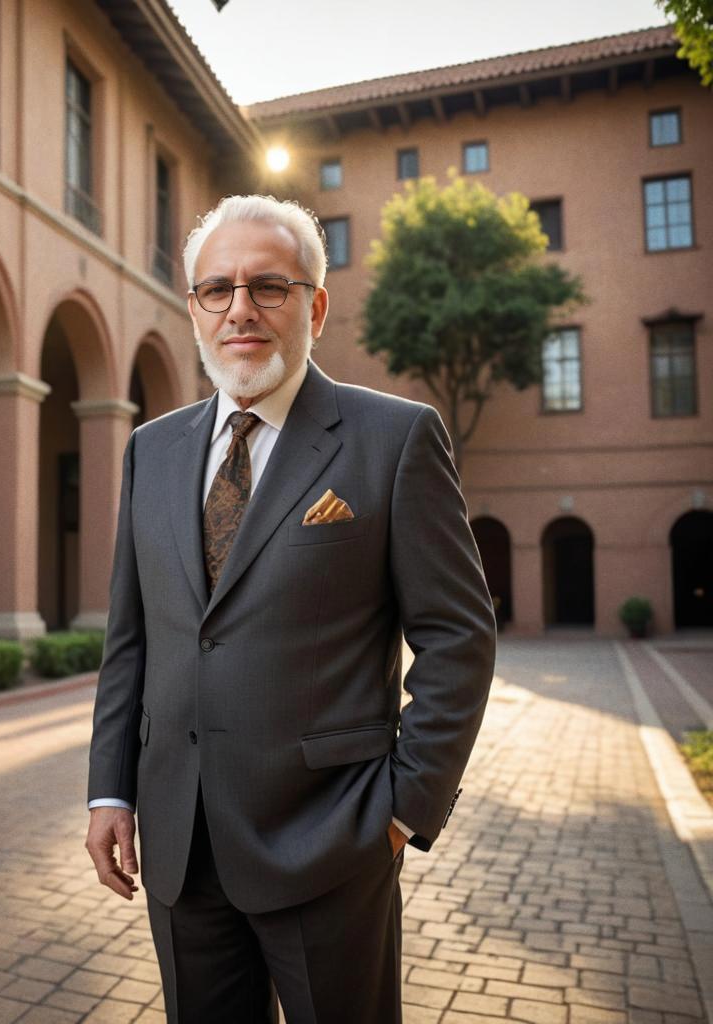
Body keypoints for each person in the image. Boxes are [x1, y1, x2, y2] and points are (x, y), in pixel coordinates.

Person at [85, 194, 496, 1023]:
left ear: (313, 305)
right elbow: (132, 639)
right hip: (181, 847)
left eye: (268, 287)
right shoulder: (150, 450)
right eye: (218, 290)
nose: (241, 309)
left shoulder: (394, 438)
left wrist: (403, 809)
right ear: (195, 310)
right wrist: (110, 792)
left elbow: (458, 636)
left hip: (330, 845)